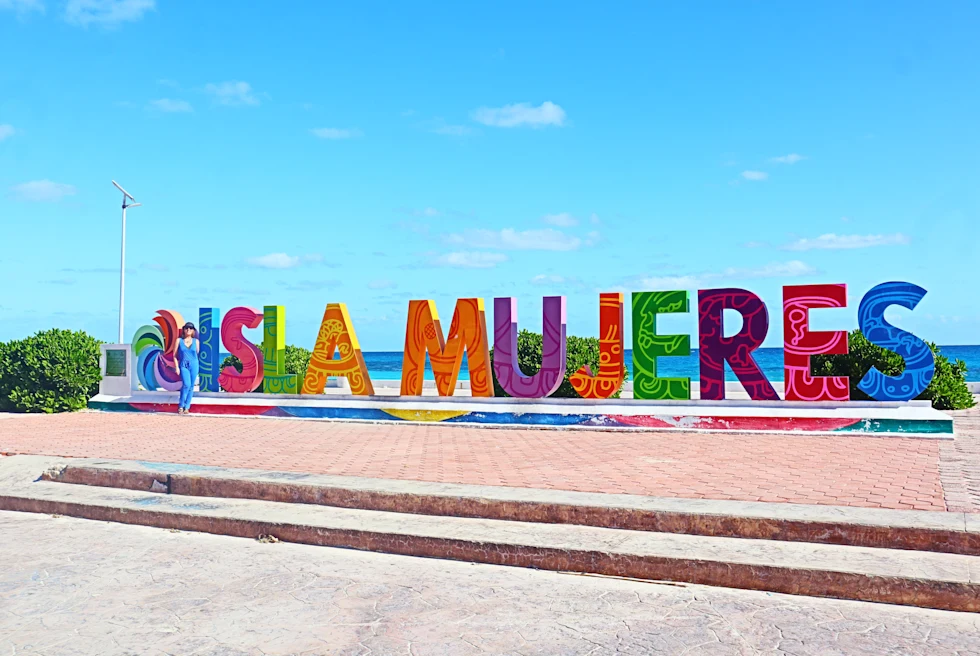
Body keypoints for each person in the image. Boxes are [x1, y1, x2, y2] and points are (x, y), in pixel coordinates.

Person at [172, 322, 200, 415]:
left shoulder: (196, 341)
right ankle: (181, 405)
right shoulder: (179, 341)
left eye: (191, 328)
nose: (188, 330)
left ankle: (187, 407)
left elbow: (197, 353)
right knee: (186, 384)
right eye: (186, 328)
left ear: (193, 331)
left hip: (194, 364)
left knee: (191, 386)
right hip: (183, 365)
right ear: (184, 329)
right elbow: (175, 355)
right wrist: (176, 367)